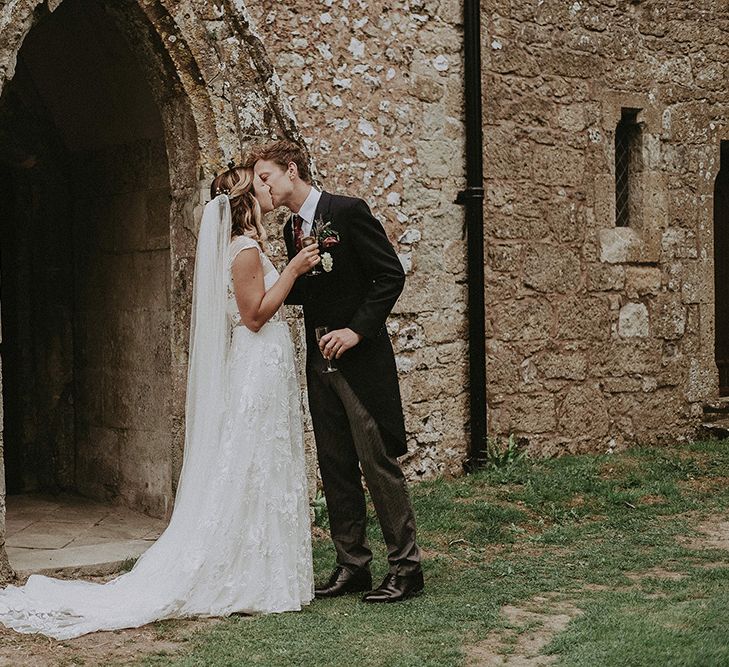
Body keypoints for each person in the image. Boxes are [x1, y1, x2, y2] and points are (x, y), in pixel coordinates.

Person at [0, 167, 320, 639]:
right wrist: (293, 270)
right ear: (243, 202)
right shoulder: (245, 250)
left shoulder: (241, 247)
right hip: (257, 364)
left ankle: (263, 563)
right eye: (258, 186)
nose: (267, 192)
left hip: (261, 365)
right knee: (253, 458)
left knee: (259, 460)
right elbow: (253, 316)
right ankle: (250, 568)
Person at [250, 140, 423, 603]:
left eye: (266, 177)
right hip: (317, 356)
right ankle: (353, 565)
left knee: (376, 461)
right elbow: (309, 291)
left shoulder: (346, 212)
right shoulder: (291, 230)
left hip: (359, 359)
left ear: (291, 171)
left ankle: (406, 569)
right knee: (335, 463)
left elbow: (390, 275)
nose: (262, 187)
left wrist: (356, 332)